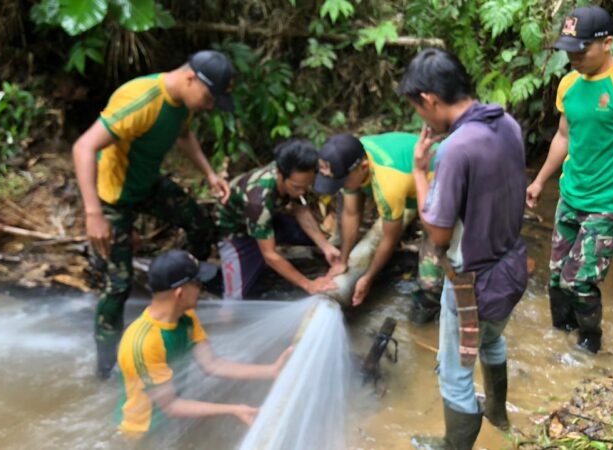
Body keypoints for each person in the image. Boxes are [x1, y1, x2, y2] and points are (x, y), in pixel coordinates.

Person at [72, 50, 234, 379]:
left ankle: (179, 289)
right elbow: (84, 147)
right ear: (190, 78)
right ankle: (103, 368)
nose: (208, 106)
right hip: (113, 197)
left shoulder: (182, 103)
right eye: (208, 97)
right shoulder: (142, 99)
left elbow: (184, 135)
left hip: (146, 184)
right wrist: (94, 214)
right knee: (118, 285)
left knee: (200, 224)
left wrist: (210, 173)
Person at [526, 6, 613, 354]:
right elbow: (563, 136)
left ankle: (590, 345)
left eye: (581, 50)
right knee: (558, 280)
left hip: (608, 203)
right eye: (568, 50)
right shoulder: (569, 84)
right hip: (570, 194)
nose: (573, 57)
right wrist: (540, 180)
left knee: (580, 282)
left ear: (607, 43)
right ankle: (559, 339)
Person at [403, 48, 528, 449]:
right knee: (491, 341)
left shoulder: (455, 149)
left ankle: (452, 447)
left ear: (429, 99)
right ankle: (497, 412)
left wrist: (420, 171)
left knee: (456, 375)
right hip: (511, 269)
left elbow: (438, 234)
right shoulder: (506, 123)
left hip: (470, 283)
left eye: (419, 111)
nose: (423, 120)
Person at [116, 250, 292, 439]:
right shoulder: (143, 343)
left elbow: (213, 364)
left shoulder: (185, 317)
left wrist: (272, 371)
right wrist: (235, 410)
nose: (202, 289)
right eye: (197, 283)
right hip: (142, 433)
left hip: (168, 419)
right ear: (179, 293)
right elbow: (171, 406)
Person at [313, 133, 444, 323]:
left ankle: (431, 306)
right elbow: (351, 213)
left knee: (431, 277)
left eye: (342, 182)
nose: (341, 186)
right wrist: (343, 260)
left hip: (440, 185)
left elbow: (390, 238)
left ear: (363, 168)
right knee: (353, 199)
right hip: (406, 178)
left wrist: (368, 277)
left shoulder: (388, 185)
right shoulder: (351, 154)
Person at [214, 139, 342, 299]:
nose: (302, 192)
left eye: (306, 186)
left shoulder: (293, 174)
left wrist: (325, 246)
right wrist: (308, 284)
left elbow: (301, 210)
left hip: (269, 218)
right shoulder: (258, 201)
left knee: (317, 239)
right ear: (280, 175)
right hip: (236, 232)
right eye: (297, 187)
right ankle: (210, 276)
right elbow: (270, 255)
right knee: (237, 299)